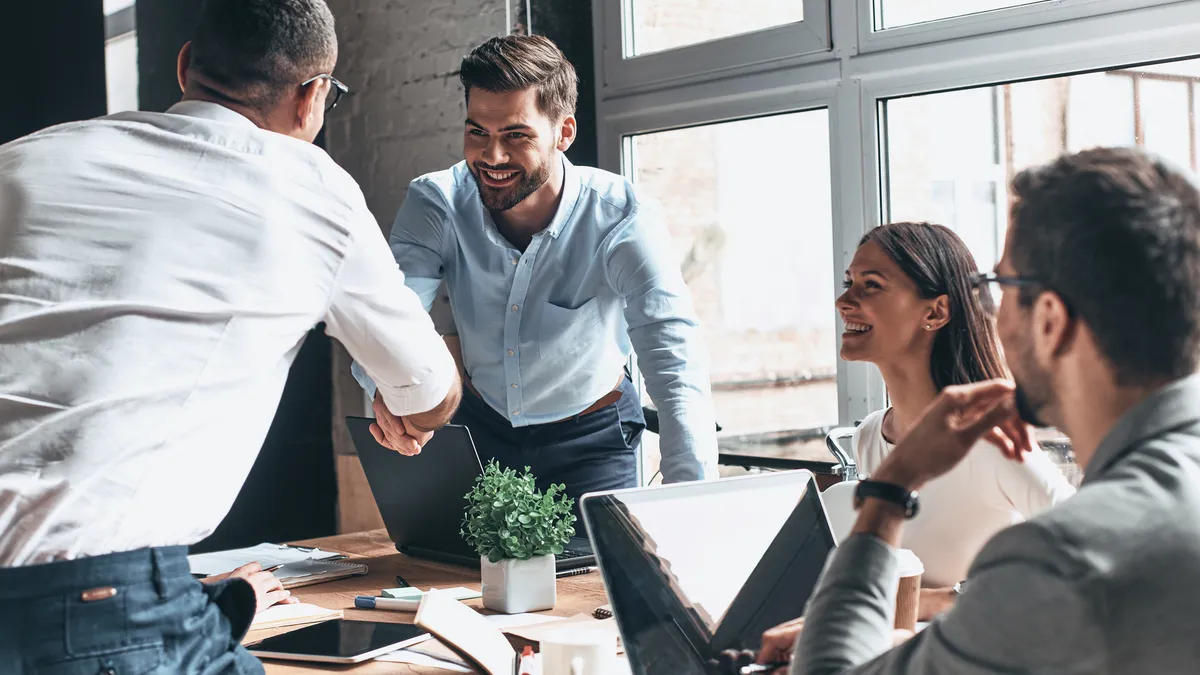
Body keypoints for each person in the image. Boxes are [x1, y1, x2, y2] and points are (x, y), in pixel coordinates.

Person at [0, 0, 461, 672]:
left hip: (102, 597)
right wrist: (406, 401)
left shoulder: (23, 162)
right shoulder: (309, 188)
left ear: (186, 66)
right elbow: (431, 396)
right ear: (311, 99)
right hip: (102, 610)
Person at [757, 146, 1200, 674]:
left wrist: (888, 492)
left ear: (1050, 320)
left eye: (1001, 287)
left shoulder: (1063, 558)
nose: (989, 311)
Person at [353, 35, 718, 507]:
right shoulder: (437, 202)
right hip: (479, 428)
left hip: (591, 440)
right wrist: (387, 391)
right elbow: (386, 316)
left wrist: (691, 499)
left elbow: (673, 356)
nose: (492, 156)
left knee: (598, 579)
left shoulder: (623, 217)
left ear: (563, 134)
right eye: (477, 132)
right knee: (456, 576)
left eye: (516, 135)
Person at [836, 222, 1074, 618]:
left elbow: (1096, 555)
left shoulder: (989, 443)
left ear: (936, 311)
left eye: (871, 285)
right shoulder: (869, 437)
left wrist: (938, 602)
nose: (845, 300)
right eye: (849, 282)